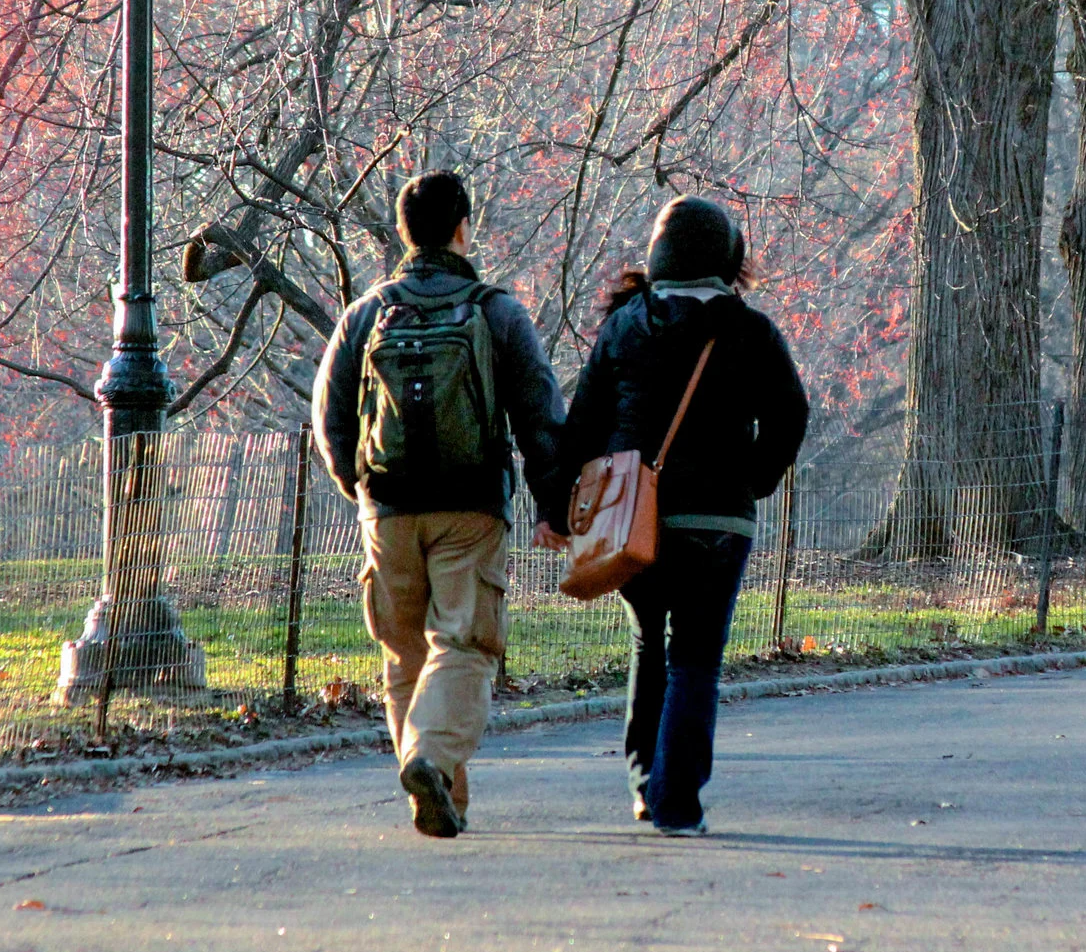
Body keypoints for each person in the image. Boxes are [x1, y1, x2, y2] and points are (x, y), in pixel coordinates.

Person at [537, 195, 808, 836]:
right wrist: (755, 477)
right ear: (728, 258)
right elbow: (791, 414)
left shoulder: (627, 325)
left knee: (646, 645)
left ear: (660, 255)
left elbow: (580, 427)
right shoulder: (752, 330)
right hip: (720, 521)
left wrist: (556, 507)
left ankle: (643, 784)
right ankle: (677, 802)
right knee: (696, 658)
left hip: (635, 517)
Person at [312, 171, 564, 838]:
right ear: (462, 228)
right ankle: (430, 759)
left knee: (404, 655)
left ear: (404, 232)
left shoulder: (367, 312)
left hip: (387, 508)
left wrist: (362, 490)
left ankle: (440, 792)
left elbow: (329, 415)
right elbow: (539, 415)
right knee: (466, 642)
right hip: (469, 507)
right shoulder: (495, 310)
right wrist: (553, 503)